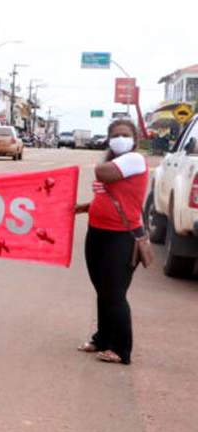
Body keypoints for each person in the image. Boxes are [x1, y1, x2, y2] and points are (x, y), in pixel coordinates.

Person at [74, 119, 147, 364]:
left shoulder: (134, 159)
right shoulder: (115, 162)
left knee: (115, 293)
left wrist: (102, 160)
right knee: (101, 290)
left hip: (122, 237)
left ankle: (121, 349)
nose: (120, 138)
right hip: (97, 232)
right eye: (115, 135)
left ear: (134, 139)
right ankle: (102, 338)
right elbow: (110, 196)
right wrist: (86, 207)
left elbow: (102, 173)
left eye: (125, 134)